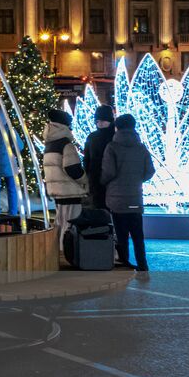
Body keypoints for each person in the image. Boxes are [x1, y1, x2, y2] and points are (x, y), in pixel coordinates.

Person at [101, 113, 153, 274]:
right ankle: (143, 265)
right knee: (138, 235)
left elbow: (108, 172)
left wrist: (102, 182)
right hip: (135, 198)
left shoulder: (112, 147)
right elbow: (150, 171)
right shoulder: (141, 147)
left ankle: (124, 264)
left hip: (117, 199)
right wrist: (137, 180)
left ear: (117, 127)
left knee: (121, 234)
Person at [42, 108, 89, 251]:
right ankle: (67, 252)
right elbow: (73, 169)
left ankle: (57, 250)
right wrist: (85, 180)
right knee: (70, 224)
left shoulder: (49, 144)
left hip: (57, 192)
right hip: (69, 191)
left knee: (60, 223)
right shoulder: (66, 145)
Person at [82, 106, 116, 211]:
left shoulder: (115, 136)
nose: (100, 123)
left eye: (103, 120)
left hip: (112, 181)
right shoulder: (92, 137)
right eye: (97, 121)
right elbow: (87, 159)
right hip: (96, 180)